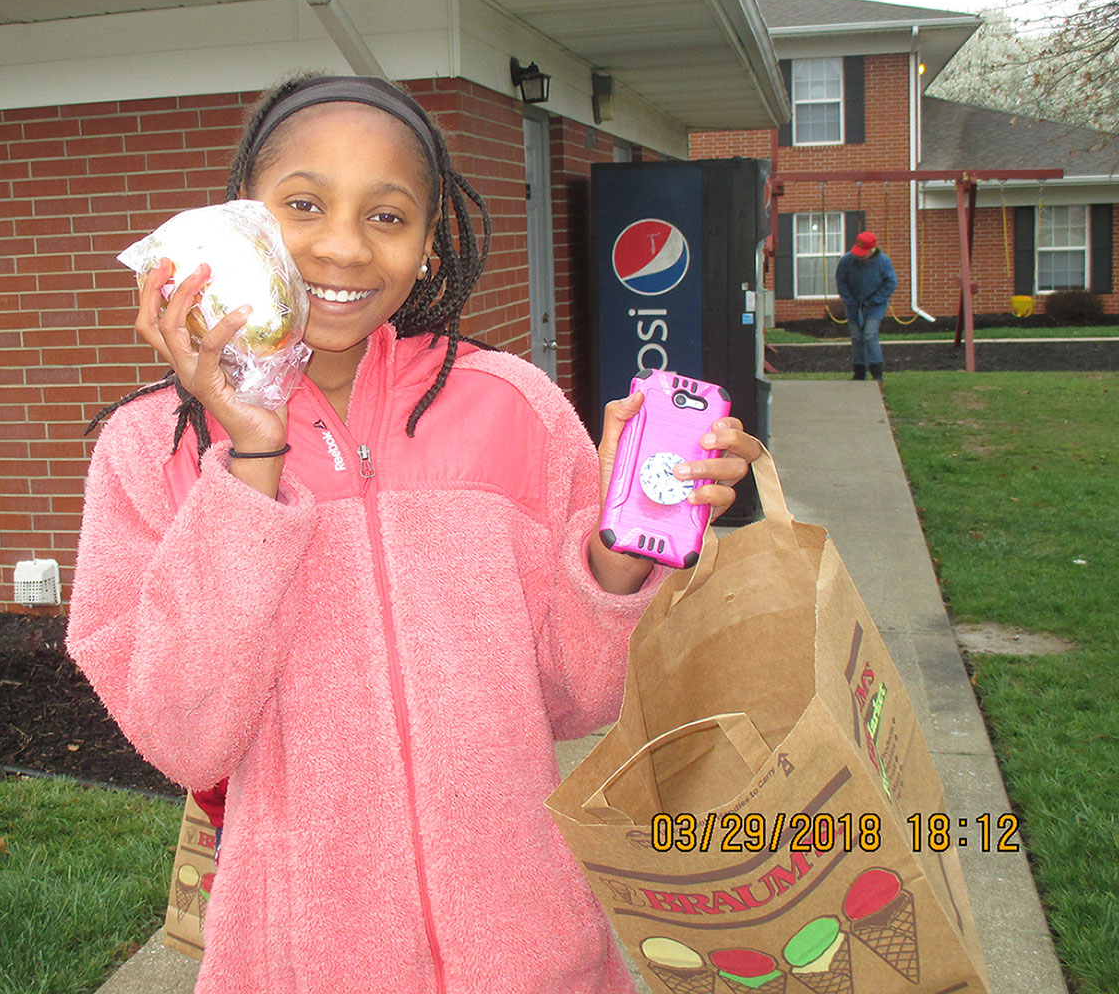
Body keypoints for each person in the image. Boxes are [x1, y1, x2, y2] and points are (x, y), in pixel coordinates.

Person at [67, 74, 760, 994]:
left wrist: (626, 544)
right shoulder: (152, 449)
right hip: (298, 963)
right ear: (246, 218)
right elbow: (186, 736)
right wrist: (252, 450)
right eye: (305, 204)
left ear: (429, 246)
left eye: (387, 216)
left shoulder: (515, 407)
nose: (344, 246)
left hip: (537, 957)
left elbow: (579, 698)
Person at [835, 229, 898, 381]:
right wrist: (849, 300)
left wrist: (875, 300)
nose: (858, 256)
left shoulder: (883, 261)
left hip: (874, 306)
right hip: (853, 305)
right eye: (857, 252)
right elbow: (841, 280)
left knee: (869, 335)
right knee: (857, 337)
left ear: (872, 250)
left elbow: (890, 283)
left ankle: (877, 373)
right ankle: (859, 372)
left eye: (862, 253)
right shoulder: (847, 261)